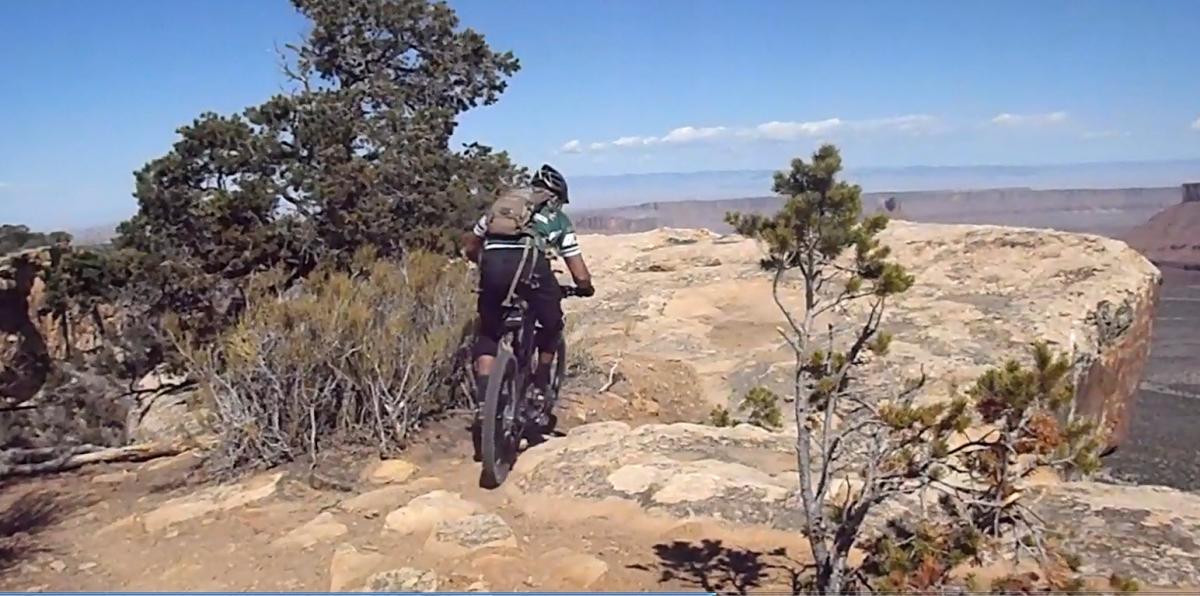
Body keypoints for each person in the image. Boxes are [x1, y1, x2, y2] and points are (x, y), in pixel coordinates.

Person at [462, 164, 595, 458]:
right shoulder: (556, 218)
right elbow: (575, 264)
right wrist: (584, 286)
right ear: (555, 197)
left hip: (493, 267)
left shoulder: (500, 210)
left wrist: (481, 261)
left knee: (488, 330)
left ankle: (485, 402)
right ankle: (539, 382)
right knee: (552, 324)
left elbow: (472, 244)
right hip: (530, 267)